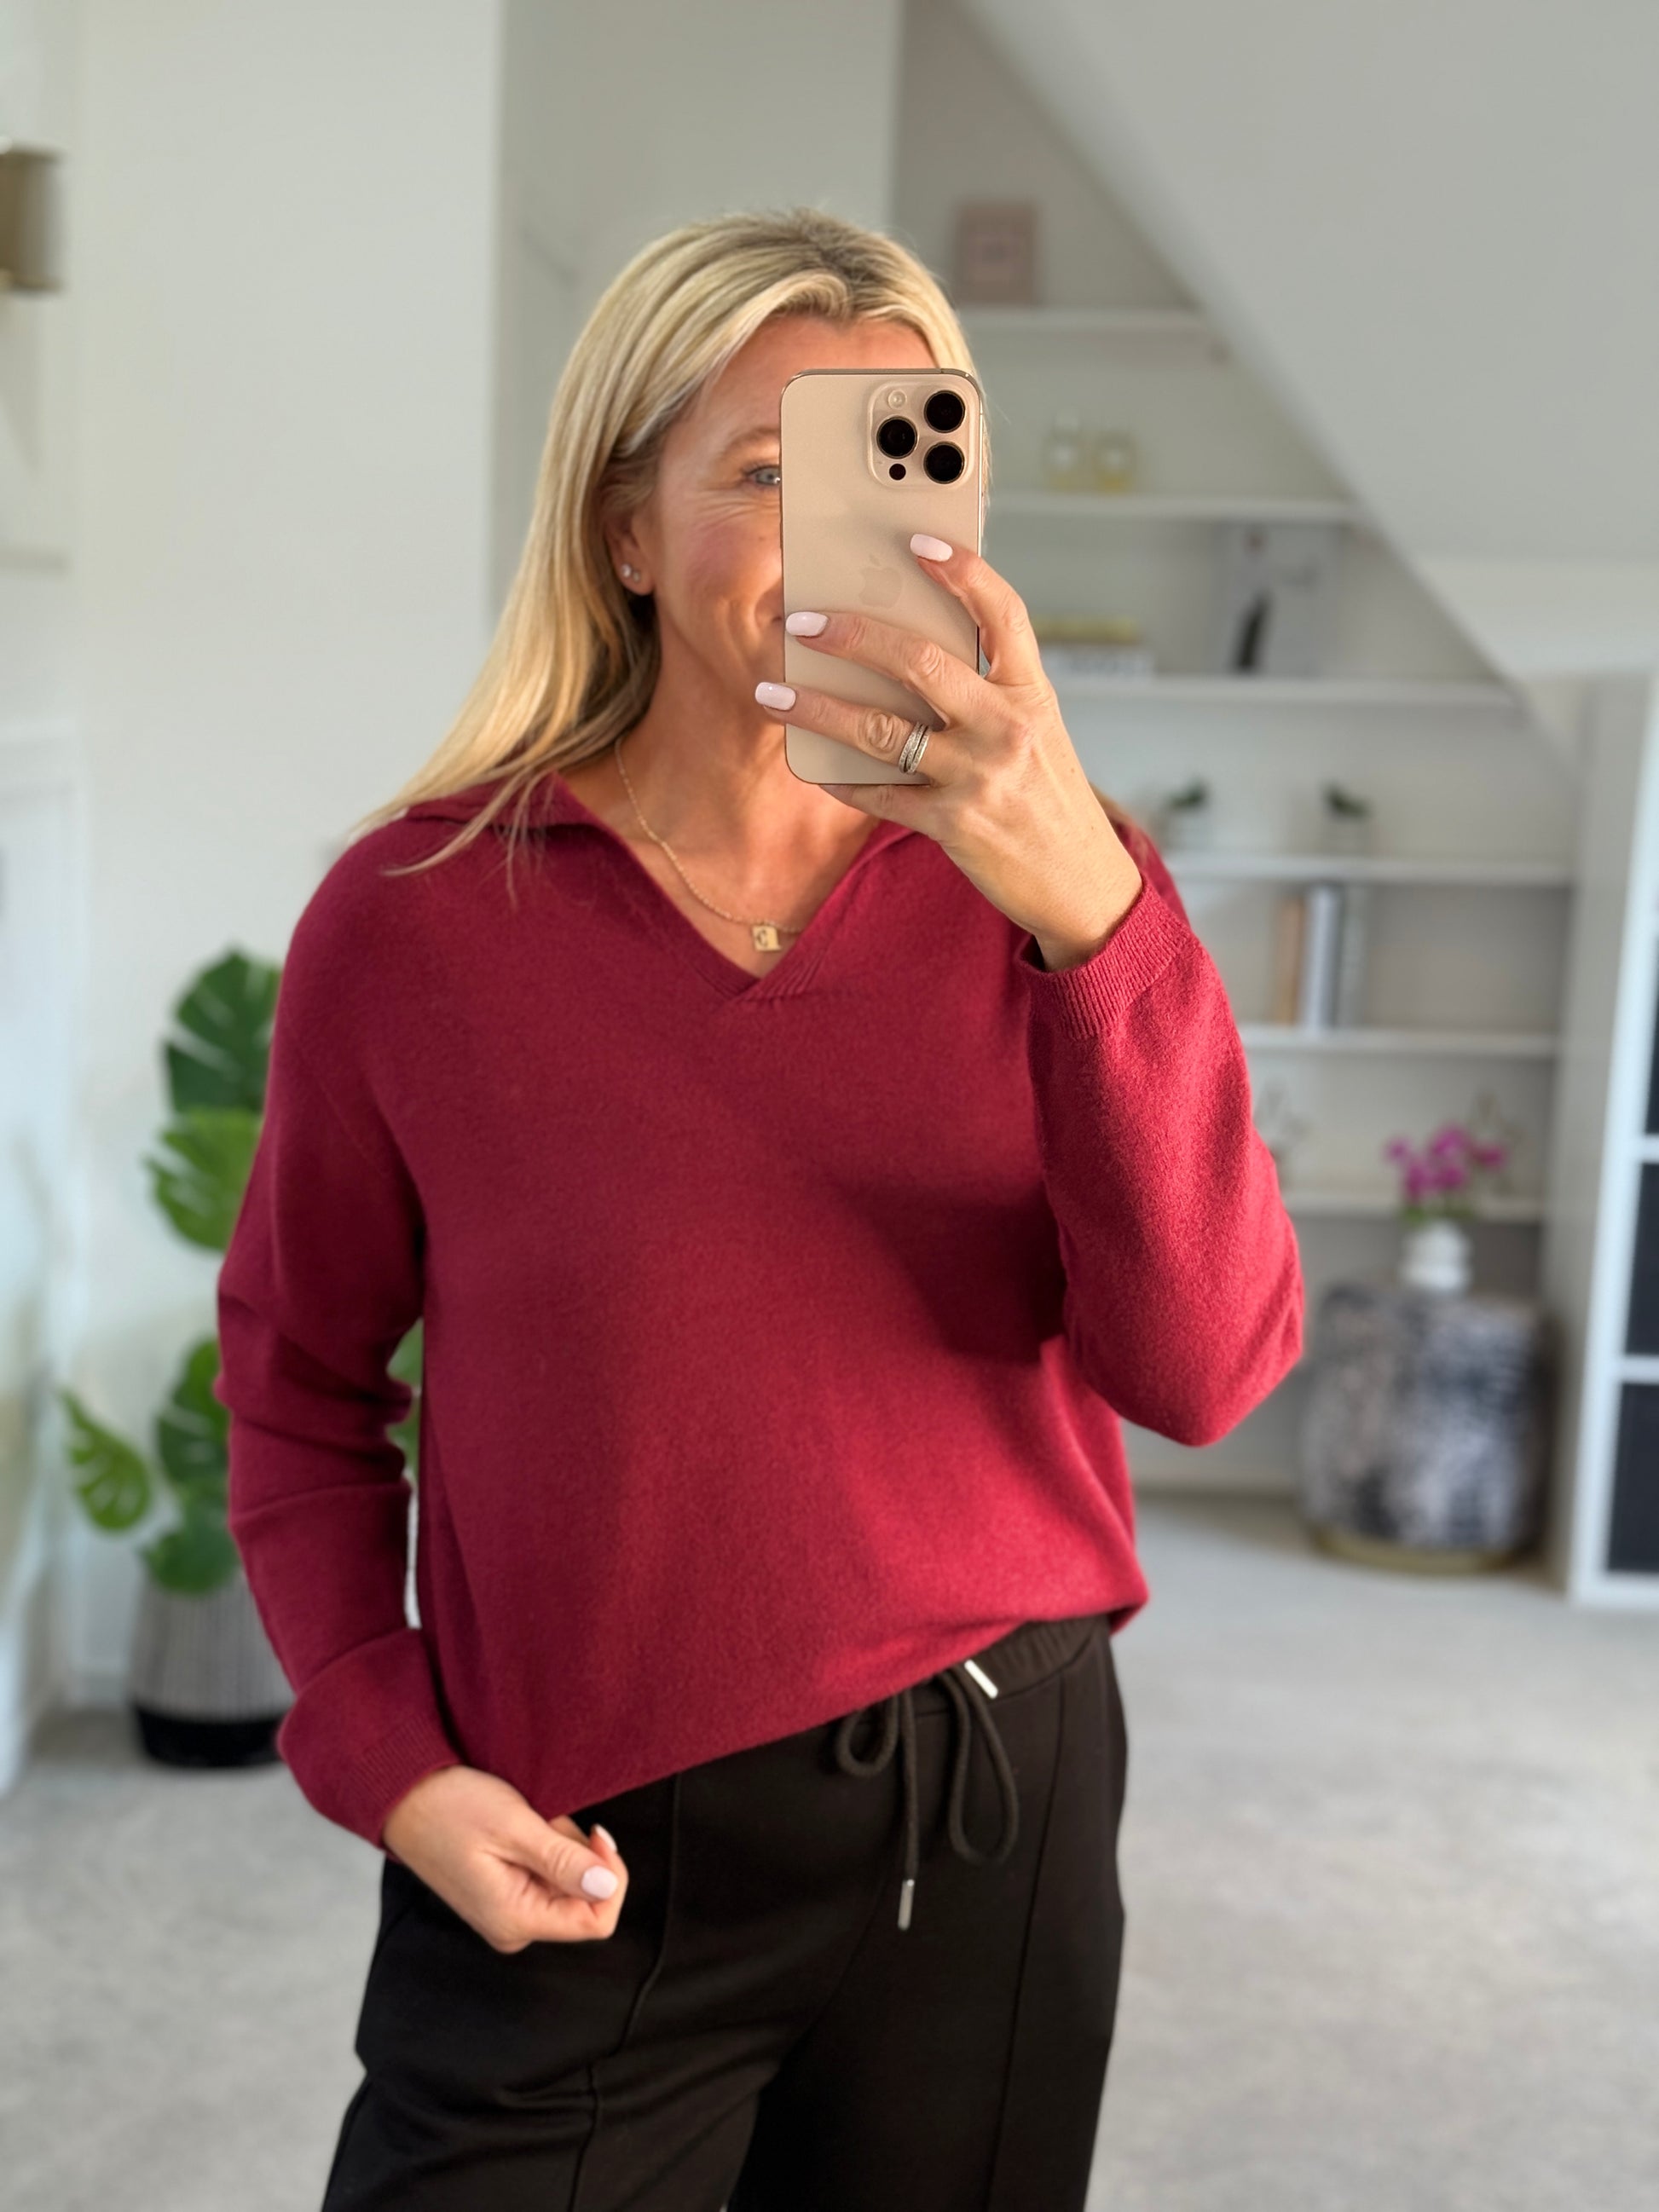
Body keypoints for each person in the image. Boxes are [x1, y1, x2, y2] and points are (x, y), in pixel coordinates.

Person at [215, 206, 1303, 2212]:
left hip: (992, 1808)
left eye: (895, 460)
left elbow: (1206, 1371)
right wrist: (389, 1755)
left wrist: (1085, 916)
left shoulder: (1069, 894)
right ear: (624, 527)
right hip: (574, 1840)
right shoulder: (417, 922)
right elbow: (297, 1386)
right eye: (764, 469)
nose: (840, 535)